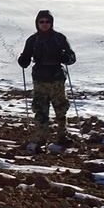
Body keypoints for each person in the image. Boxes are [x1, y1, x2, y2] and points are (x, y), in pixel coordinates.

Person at [16, 9, 76, 151]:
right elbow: (26, 56)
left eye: (47, 21)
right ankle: (40, 139)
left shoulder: (59, 38)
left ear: (51, 23)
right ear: (37, 23)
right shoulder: (32, 40)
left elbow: (72, 56)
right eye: (41, 21)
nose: (44, 24)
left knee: (61, 109)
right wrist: (23, 60)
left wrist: (67, 58)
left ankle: (62, 137)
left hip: (56, 78)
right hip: (39, 79)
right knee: (40, 110)